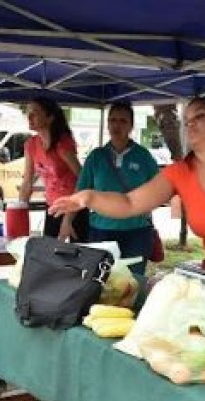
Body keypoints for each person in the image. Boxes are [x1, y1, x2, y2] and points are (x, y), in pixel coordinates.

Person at [51, 97, 205, 266]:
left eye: (200, 116)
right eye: (187, 121)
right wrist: (89, 198)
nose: (191, 125)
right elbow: (130, 203)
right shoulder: (179, 173)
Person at [77, 101, 160, 275]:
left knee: (134, 281)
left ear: (131, 126)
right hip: (101, 232)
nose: (117, 125)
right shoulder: (96, 157)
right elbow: (80, 193)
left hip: (136, 232)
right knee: (101, 281)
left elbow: (159, 189)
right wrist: (66, 222)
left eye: (123, 121)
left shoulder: (143, 156)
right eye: (113, 120)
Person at [19, 96, 88, 242]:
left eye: (35, 113)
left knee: (78, 257)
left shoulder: (62, 144)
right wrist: (19, 211)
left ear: (50, 118)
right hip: (53, 207)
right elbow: (27, 183)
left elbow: (83, 179)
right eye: (28, 113)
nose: (29, 117)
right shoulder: (31, 144)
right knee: (49, 255)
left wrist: (68, 219)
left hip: (74, 209)